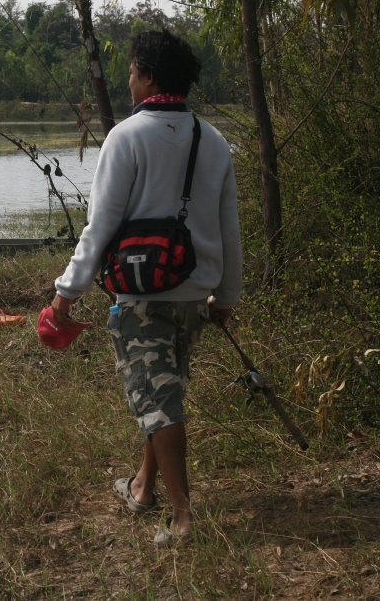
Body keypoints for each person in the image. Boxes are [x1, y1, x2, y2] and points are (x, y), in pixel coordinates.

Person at [50, 29, 243, 545]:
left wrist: (66, 292)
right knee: (164, 390)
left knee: (160, 403)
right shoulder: (214, 139)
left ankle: (182, 519)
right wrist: (225, 296)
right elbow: (229, 227)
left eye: (133, 71)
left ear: (150, 77)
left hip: (141, 295)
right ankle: (141, 489)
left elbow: (101, 225)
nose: (128, 80)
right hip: (193, 295)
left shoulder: (127, 136)